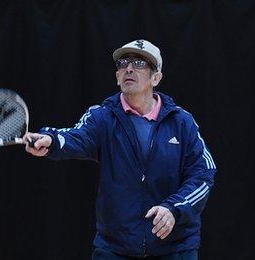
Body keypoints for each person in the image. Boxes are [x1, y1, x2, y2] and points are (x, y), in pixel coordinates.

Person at [25, 39, 216, 259]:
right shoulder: (102, 117)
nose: (129, 68)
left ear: (156, 77)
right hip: (115, 249)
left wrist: (174, 208)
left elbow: (203, 174)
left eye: (140, 63)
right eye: (123, 63)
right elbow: (76, 137)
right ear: (117, 77)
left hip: (175, 249)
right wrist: (51, 140)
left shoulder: (182, 122)